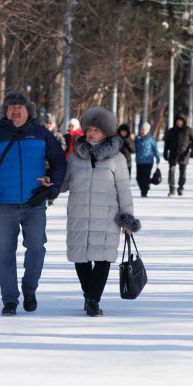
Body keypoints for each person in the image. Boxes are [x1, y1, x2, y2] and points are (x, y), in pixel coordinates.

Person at [0, 91, 68, 315]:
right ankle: (9, 300)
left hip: (34, 204)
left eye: (20, 107)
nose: (15, 110)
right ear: (6, 112)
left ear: (29, 111)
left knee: (36, 248)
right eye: (11, 107)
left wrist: (50, 191)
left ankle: (29, 289)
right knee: (5, 253)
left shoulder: (42, 135)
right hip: (3, 204)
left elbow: (59, 163)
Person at [58, 106, 140, 317]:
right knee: (80, 259)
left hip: (107, 218)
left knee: (103, 259)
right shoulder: (75, 156)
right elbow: (63, 184)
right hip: (79, 216)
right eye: (89, 128)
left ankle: (93, 300)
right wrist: (50, 178)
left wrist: (127, 218)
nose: (91, 133)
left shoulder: (117, 159)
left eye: (96, 129)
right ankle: (89, 295)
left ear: (106, 132)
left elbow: (124, 190)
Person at [163, 115, 193, 196]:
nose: (179, 123)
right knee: (171, 172)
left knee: (183, 173)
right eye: (178, 121)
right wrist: (165, 152)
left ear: (183, 122)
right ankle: (172, 189)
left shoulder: (188, 130)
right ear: (175, 122)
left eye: (181, 121)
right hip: (173, 154)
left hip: (184, 155)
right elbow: (167, 143)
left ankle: (180, 188)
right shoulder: (171, 131)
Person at [133, 122, 160, 198]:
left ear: (147, 131)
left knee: (145, 177)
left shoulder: (151, 139)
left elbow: (155, 149)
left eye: (144, 130)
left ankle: (144, 191)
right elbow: (133, 147)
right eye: (141, 130)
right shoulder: (137, 139)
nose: (142, 131)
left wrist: (157, 157)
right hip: (139, 161)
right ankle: (145, 186)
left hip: (148, 161)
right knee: (138, 178)